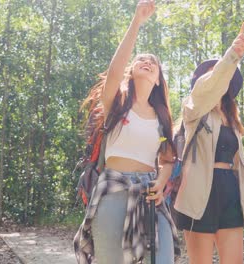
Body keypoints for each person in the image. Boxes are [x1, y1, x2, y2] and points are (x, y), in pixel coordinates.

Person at [73, 1, 179, 263]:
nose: (147, 62)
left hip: (150, 194)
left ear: (158, 79)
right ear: (130, 72)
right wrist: (136, 22)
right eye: (141, 59)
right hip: (113, 190)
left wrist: (161, 181)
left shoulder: (162, 118)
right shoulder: (116, 105)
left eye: (153, 63)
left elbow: (167, 159)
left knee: (163, 259)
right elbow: (114, 71)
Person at [173, 23, 244, 263]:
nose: (217, 76)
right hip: (199, 193)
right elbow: (208, 87)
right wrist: (232, 55)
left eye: (222, 72)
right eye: (212, 73)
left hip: (230, 192)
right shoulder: (193, 109)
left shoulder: (234, 121)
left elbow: (239, 164)